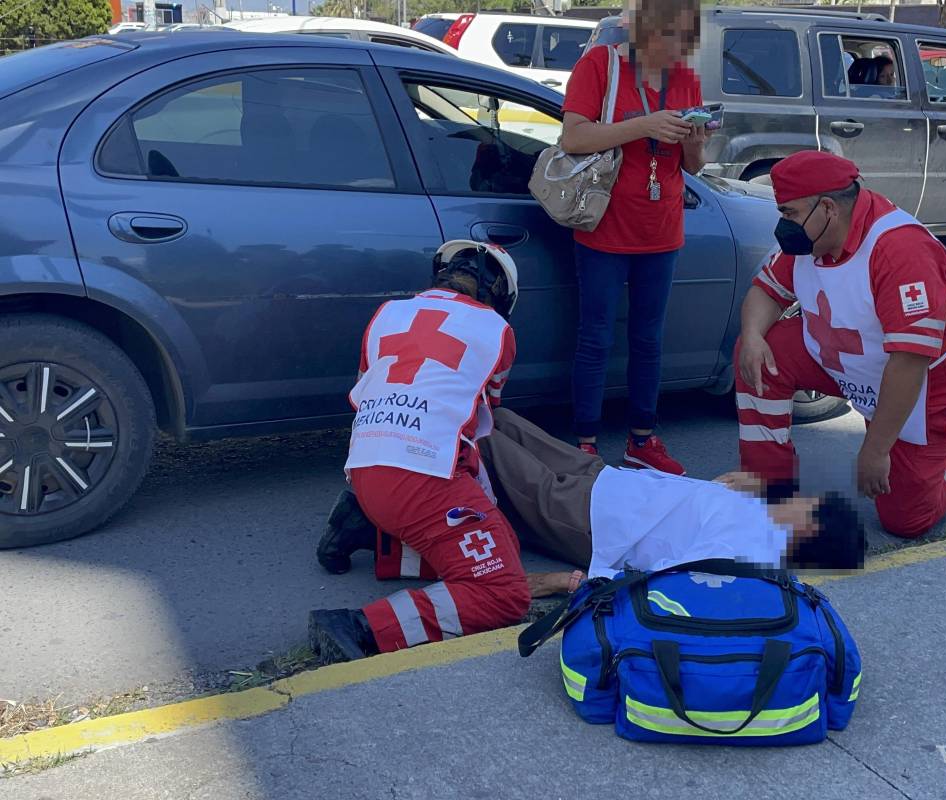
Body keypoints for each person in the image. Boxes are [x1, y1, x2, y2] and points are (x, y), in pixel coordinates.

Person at [313, 408, 866, 662]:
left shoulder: (748, 556)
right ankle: (376, 517)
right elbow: (711, 495)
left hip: (591, 519)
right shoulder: (762, 519)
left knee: (476, 443)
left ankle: (373, 512)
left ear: (812, 526)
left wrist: (570, 583)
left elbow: (665, 580)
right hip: (607, 480)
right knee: (496, 420)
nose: (799, 496)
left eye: (809, 503)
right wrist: (738, 488)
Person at [735, 151, 946, 539]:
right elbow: (765, 292)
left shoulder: (900, 249)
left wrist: (876, 449)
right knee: (762, 349)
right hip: (849, 363)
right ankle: (768, 488)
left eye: (790, 213)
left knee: (906, 519)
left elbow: (910, 361)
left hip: (924, 387)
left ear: (828, 208)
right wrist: (750, 337)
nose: (784, 225)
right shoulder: (814, 236)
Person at [308, 241, 529, 663]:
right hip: (423, 476)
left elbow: (365, 389)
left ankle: (366, 524)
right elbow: (485, 413)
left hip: (364, 468)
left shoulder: (386, 314)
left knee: (480, 546)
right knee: (502, 590)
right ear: (502, 296)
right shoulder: (498, 332)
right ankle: (363, 626)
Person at [558, 0, 706, 475]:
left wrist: (695, 141)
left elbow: (693, 167)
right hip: (604, 223)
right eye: (669, 36)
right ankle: (585, 444)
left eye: (685, 38)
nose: (677, 49)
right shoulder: (599, 65)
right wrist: (643, 125)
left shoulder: (684, 79)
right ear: (643, 31)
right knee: (596, 337)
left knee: (648, 339)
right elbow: (573, 139)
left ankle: (642, 439)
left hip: (661, 228)